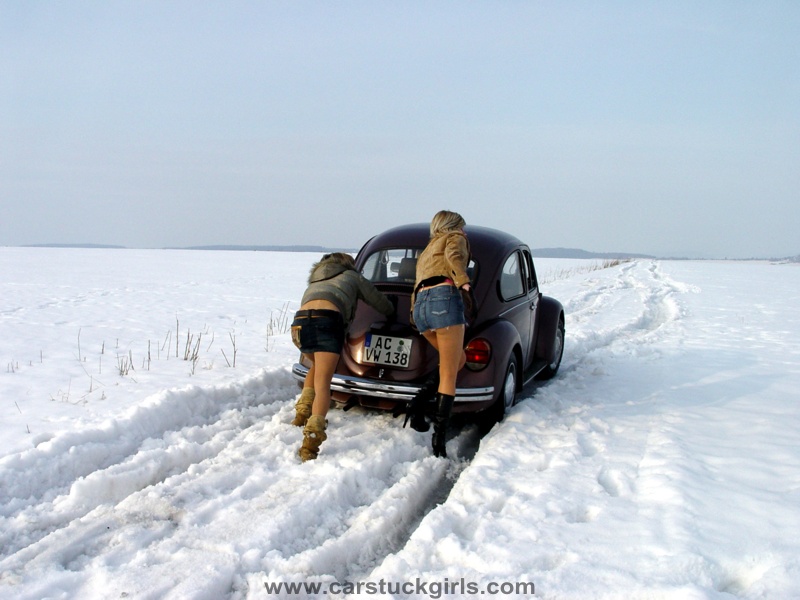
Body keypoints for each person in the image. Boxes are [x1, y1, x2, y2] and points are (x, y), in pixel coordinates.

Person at [290, 252, 394, 461]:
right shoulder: (351, 276)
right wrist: (392, 312)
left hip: (299, 325)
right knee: (324, 383)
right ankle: (311, 440)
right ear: (348, 265)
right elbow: (378, 300)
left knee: (316, 366)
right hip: (327, 322)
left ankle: (302, 413)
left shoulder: (316, 279)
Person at [406, 210, 471, 458]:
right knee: (448, 375)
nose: (465, 232)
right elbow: (454, 257)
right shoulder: (455, 237)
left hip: (421, 307)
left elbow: (418, 281)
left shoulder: (427, 249)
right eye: (462, 227)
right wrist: (463, 281)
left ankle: (418, 404)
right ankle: (439, 441)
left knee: (457, 361)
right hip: (444, 300)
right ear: (452, 226)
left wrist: (415, 312)